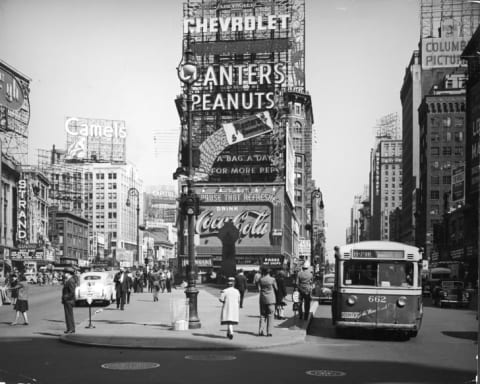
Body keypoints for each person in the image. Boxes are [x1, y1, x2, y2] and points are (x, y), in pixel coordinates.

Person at [257, 268, 277, 337]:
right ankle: (269, 332)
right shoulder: (272, 279)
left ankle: (260, 331)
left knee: (262, 315)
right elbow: (276, 288)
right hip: (271, 299)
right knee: (270, 315)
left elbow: (259, 287)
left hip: (262, 298)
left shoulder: (261, 279)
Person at [62, 268, 76, 333]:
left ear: (68, 273)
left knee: (69, 315)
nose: (64, 274)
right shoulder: (68, 280)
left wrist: (65, 297)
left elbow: (72, 292)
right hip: (68, 300)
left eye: (65, 273)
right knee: (68, 315)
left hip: (69, 300)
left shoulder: (70, 281)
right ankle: (71, 328)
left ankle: (70, 329)